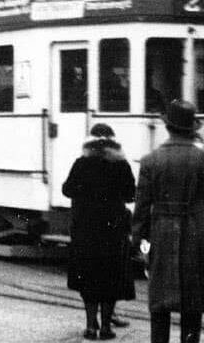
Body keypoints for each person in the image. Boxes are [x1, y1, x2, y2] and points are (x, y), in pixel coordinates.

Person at [132, 100, 204, 343]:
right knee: (192, 305)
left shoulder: (150, 161)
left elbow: (142, 209)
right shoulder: (202, 159)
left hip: (161, 232)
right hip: (196, 233)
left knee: (160, 305)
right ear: (192, 129)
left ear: (168, 127)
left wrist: (141, 244)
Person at [63, 123, 136, 340]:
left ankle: (90, 326)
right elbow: (131, 194)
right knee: (110, 278)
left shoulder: (81, 163)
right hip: (113, 231)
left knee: (88, 278)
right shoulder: (121, 165)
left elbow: (67, 189)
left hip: (85, 230)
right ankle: (106, 328)